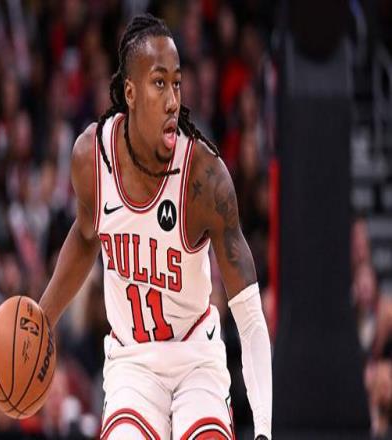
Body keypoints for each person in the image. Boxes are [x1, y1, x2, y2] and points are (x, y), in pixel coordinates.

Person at [39, 14, 272, 440]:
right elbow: (87, 233)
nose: (172, 100)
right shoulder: (92, 157)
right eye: (159, 83)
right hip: (133, 363)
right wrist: (44, 318)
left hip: (196, 359)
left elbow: (250, 317)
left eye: (177, 84)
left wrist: (264, 430)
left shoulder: (205, 177)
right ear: (129, 92)